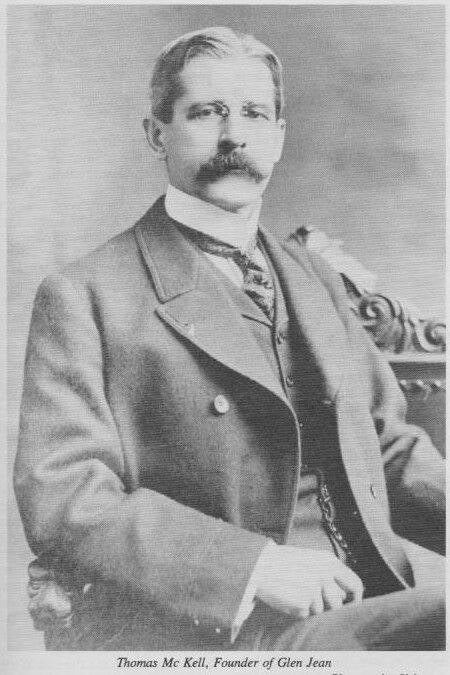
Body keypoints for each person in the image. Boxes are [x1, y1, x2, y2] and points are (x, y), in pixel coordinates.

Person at [14, 26, 445, 651]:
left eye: (254, 114)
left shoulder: (314, 279)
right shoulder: (85, 295)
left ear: (279, 135)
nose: (233, 136)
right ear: (156, 134)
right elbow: (66, 496)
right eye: (206, 112)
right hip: (229, 629)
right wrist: (254, 569)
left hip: (372, 600)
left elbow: (387, 450)